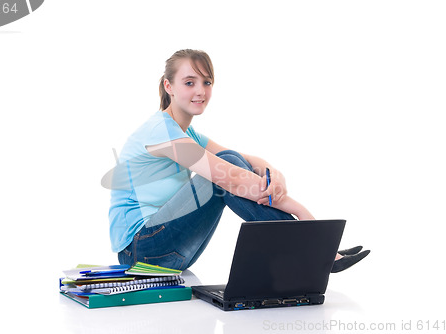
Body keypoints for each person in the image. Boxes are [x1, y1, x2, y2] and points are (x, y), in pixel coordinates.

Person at [107, 49, 369, 273]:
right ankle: (313, 246)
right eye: (189, 83)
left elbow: (244, 160)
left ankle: (311, 246)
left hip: (167, 251)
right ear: (168, 86)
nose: (200, 91)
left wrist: (272, 173)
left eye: (206, 83)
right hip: (140, 252)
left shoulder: (186, 133)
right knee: (222, 174)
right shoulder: (160, 131)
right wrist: (302, 213)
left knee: (230, 160)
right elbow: (230, 177)